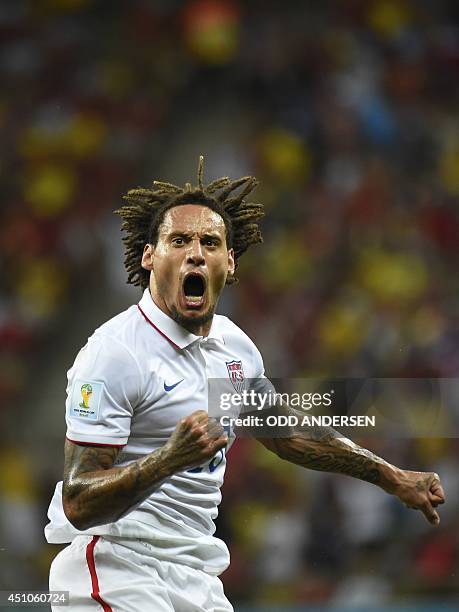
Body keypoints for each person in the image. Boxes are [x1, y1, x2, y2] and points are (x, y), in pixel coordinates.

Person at [45, 157, 445, 611]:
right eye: (179, 240)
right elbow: (78, 501)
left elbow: (285, 432)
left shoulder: (234, 349)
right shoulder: (117, 353)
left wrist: (388, 475)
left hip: (196, 574)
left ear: (229, 262)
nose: (196, 252)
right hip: (117, 568)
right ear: (149, 255)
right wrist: (166, 461)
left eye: (210, 242)